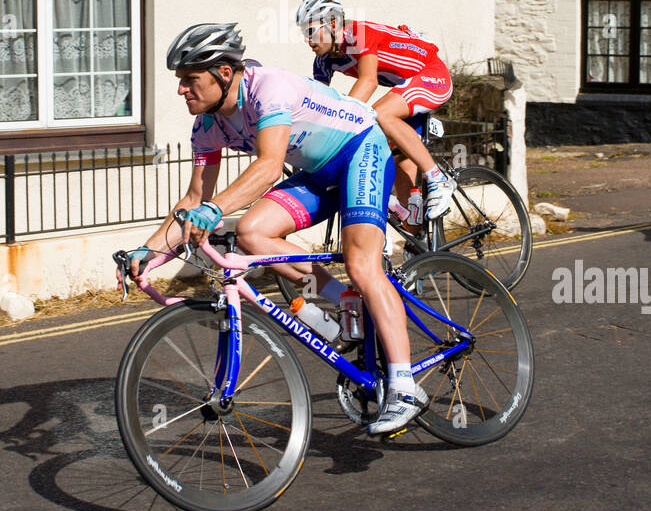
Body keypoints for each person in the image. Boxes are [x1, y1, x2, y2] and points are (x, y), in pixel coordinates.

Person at [125, 22, 428, 436]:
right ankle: (344, 304)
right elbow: (193, 200)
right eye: (180, 81)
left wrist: (214, 210)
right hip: (318, 172)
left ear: (224, 74)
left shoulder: (267, 87)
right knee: (252, 233)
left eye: (190, 79)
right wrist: (148, 255)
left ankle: (406, 387)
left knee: (362, 265)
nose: (181, 90)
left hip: (361, 150)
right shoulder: (207, 126)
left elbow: (269, 166)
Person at [295, 0, 456, 218]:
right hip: (405, 88)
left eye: (311, 31)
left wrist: (338, 123)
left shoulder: (358, 34)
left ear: (332, 24)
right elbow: (319, 103)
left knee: (380, 114)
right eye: (304, 33)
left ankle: (439, 179)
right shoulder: (323, 60)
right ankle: (418, 241)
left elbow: (368, 81)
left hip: (431, 75)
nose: (307, 39)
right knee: (403, 180)